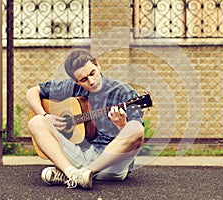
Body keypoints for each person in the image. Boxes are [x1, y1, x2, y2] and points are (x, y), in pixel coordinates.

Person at [27, 49, 145, 189]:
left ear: (97, 65)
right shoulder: (72, 87)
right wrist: (45, 115)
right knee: (36, 122)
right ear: (75, 81)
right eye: (83, 79)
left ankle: (73, 174)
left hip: (111, 163)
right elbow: (32, 92)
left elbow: (136, 138)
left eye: (92, 73)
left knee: (136, 129)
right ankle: (73, 174)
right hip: (80, 154)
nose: (91, 81)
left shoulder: (124, 92)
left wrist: (122, 125)